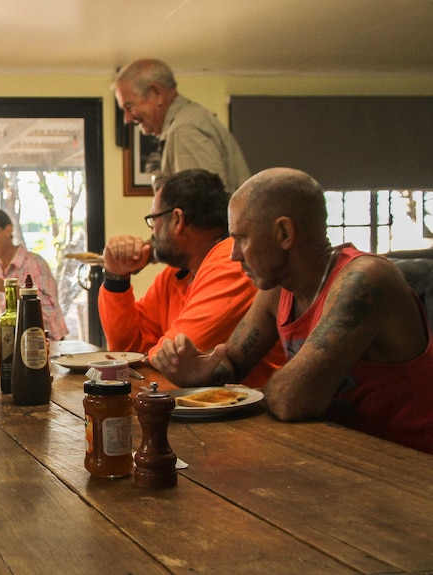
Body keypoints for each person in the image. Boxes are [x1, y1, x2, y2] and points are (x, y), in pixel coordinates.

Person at [152, 168, 433, 454]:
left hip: (411, 467)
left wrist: (256, 389)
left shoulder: (366, 279)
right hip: (340, 452)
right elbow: (233, 364)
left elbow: (292, 399)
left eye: (242, 238)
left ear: (284, 233)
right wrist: (197, 372)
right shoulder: (277, 289)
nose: (234, 254)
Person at [99, 169, 284, 388]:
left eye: (153, 220)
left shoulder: (232, 262)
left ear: (177, 220)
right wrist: (116, 278)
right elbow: (126, 351)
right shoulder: (176, 275)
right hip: (202, 406)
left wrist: (145, 357)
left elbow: (175, 362)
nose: (152, 232)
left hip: (251, 415)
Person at [114, 58, 250, 193]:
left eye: (129, 106)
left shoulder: (184, 130)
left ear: (156, 93)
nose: (127, 119)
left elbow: (202, 207)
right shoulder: (187, 121)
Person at [0, 209, 68, 340]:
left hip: (47, 345)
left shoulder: (34, 263)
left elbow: (49, 311)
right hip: (10, 347)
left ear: (8, 230)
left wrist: (6, 288)